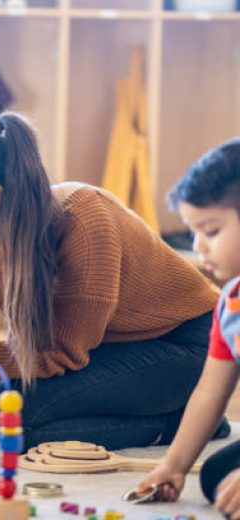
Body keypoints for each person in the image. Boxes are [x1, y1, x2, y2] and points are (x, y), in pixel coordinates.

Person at [0, 111, 228, 451]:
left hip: (186, 347)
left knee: (7, 420)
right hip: (106, 346)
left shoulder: (84, 222)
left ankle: (182, 422)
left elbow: (62, 353)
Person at [134, 138, 240, 518]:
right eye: (193, 232)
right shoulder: (230, 302)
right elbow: (210, 392)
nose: (199, 246)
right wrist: (174, 465)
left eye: (211, 231)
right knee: (216, 477)